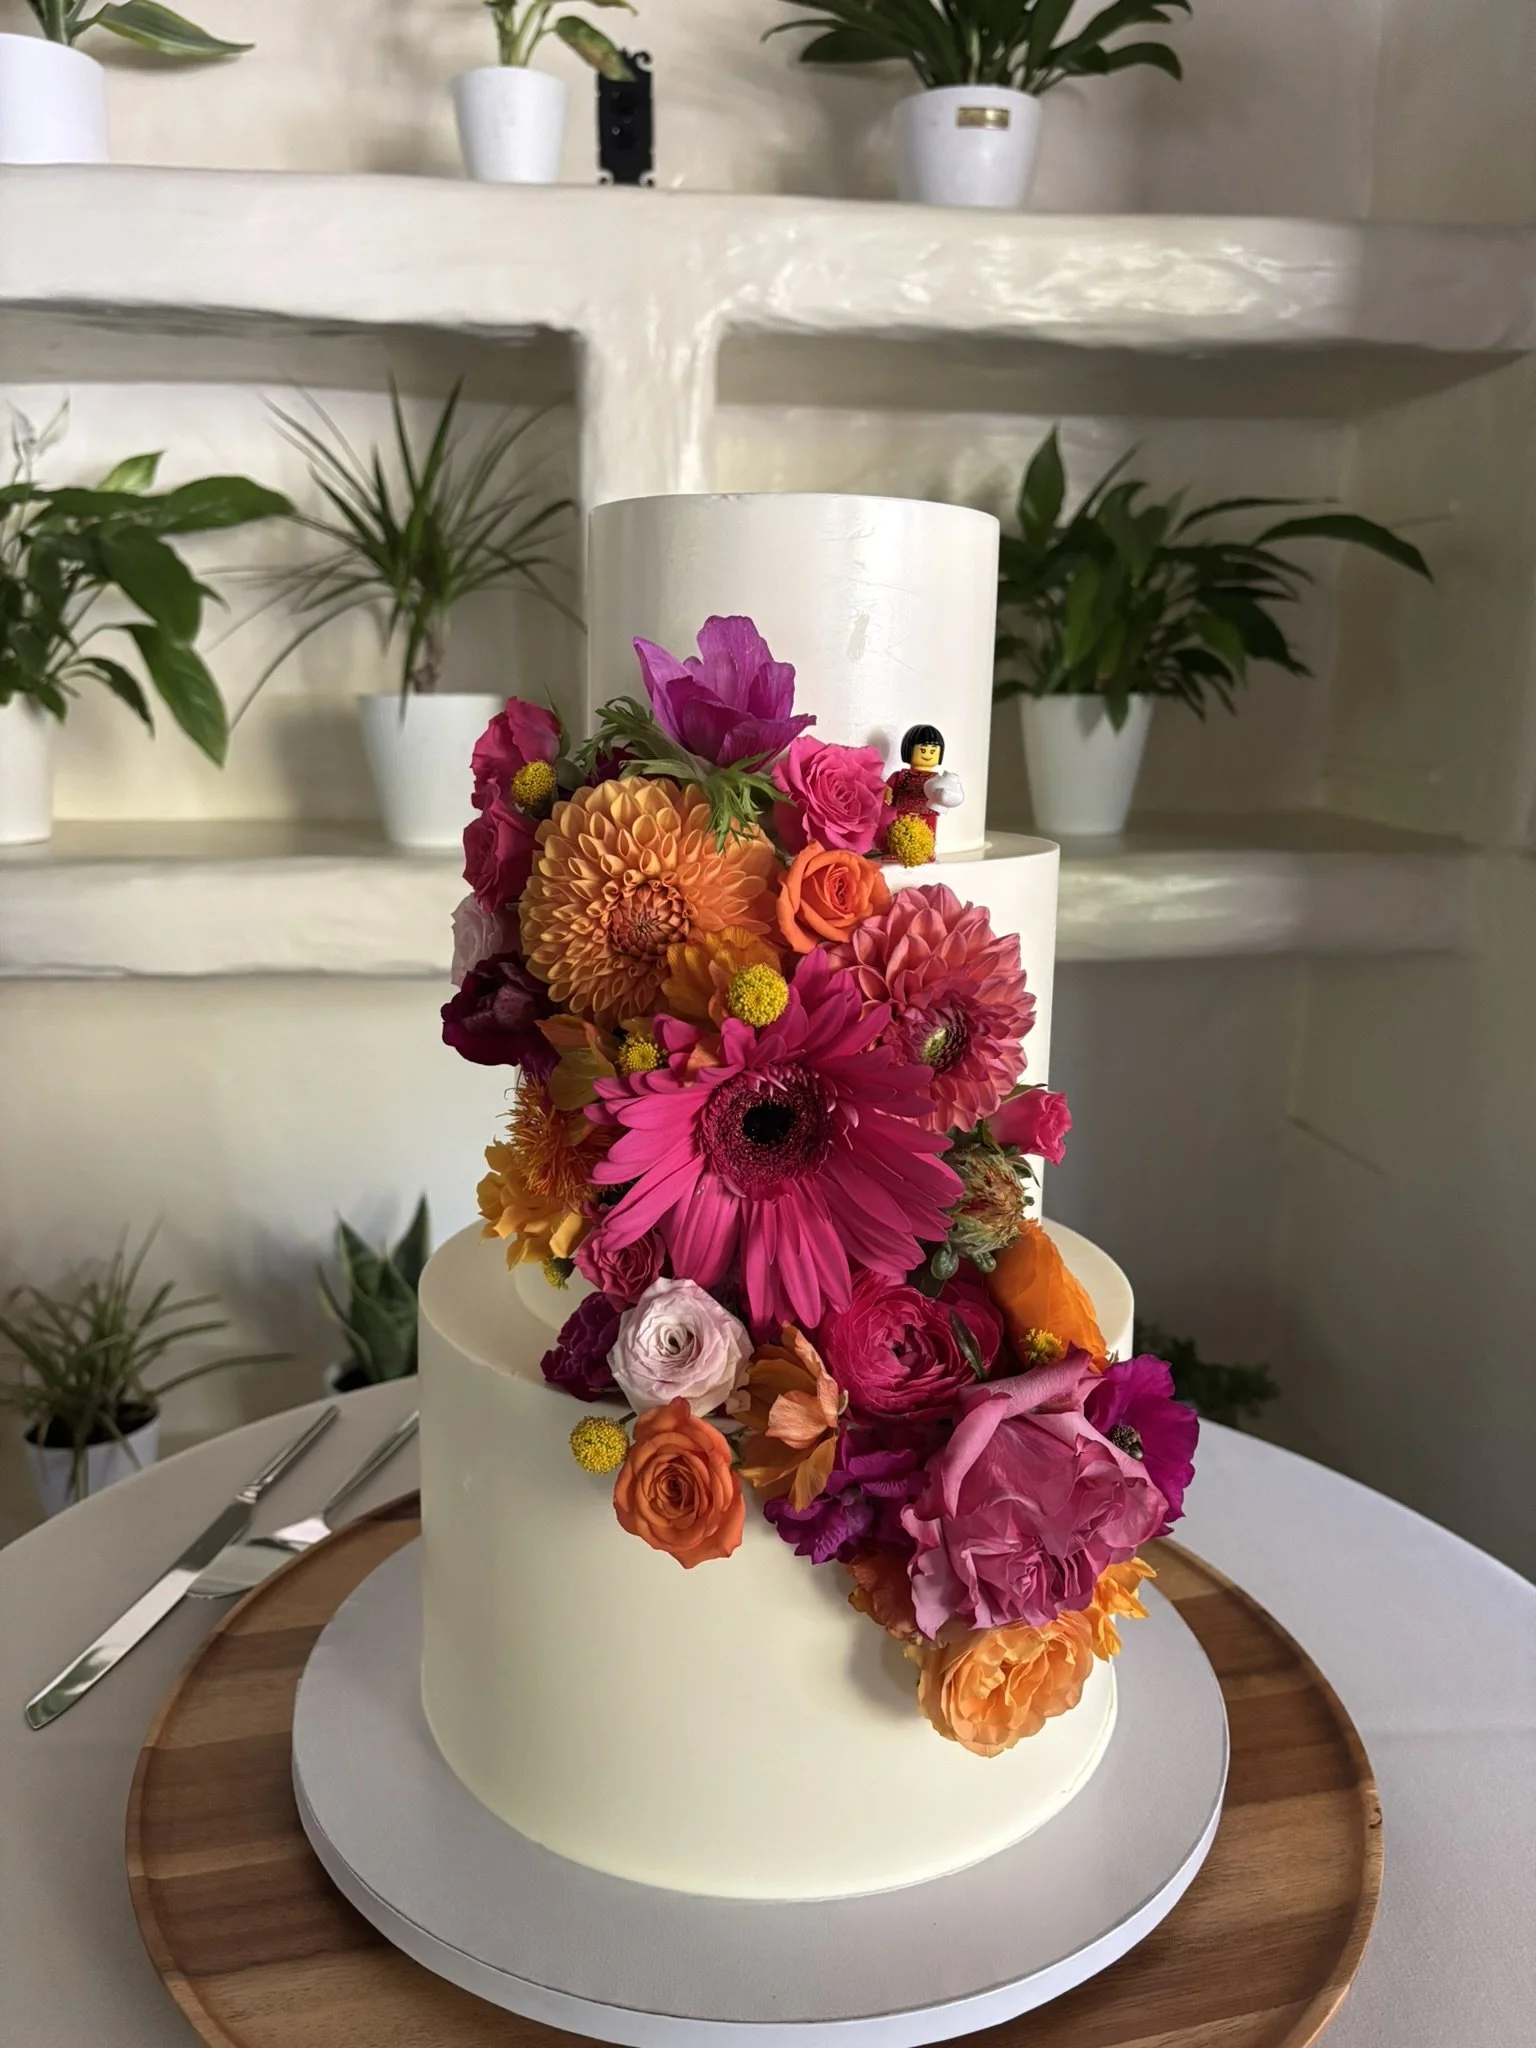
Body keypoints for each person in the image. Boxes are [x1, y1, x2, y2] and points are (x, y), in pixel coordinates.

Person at [881, 724, 964, 859]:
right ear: (909, 750)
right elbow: (885, 787)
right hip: (902, 811)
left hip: (927, 812)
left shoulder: (938, 779)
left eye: (933, 751)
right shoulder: (900, 776)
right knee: (898, 831)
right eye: (923, 750)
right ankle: (895, 851)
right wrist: (886, 791)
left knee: (928, 832)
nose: (927, 755)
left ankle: (926, 853)